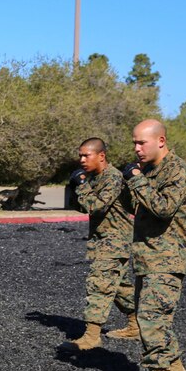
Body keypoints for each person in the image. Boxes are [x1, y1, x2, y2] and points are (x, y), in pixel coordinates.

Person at [121, 119, 186, 371]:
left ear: (160, 141)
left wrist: (137, 179)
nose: (137, 149)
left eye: (142, 142)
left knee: (152, 320)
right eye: (134, 143)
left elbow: (164, 208)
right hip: (148, 257)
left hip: (167, 258)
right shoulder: (149, 171)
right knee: (152, 317)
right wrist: (127, 183)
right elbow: (134, 206)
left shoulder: (177, 170)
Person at [60, 138, 136, 351]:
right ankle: (137, 324)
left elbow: (97, 206)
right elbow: (82, 207)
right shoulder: (95, 177)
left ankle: (92, 336)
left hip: (115, 240)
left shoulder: (113, 177)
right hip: (102, 240)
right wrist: (74, 187)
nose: (82, 160)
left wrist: (83, 185)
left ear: (101, 156)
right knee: (119, 287)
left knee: (99, 284)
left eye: (87, 155)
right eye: (80, 156)